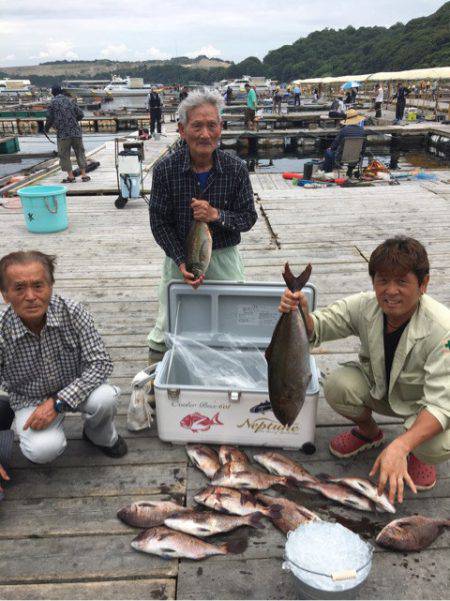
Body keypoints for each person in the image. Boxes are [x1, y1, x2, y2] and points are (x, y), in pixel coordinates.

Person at [279, 236, 450, 504]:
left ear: (423, 284)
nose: (390, 291)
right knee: (337, 385)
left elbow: (442, 405)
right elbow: (320, 326)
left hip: (421, 405)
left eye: (402, 281)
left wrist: (402, 445)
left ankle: (416, 452)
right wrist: (301, 313)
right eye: (382, 280)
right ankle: (370, 432)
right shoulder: (364, 306)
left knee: (438, 443)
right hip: (380, 390)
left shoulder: (443, 328)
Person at [147, 88, 258, 363]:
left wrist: (216, 215)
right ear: (182, 130)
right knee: (166, 329)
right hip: (180, 259)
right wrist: (181, 260)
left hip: (223, 259)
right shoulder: (165, 170)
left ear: (221, 128)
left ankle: (228, 373)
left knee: (231, 324)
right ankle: (157, 381)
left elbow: (247, 218)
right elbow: (159, 222)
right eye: (197, 126)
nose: (205, 134)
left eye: (212, 125)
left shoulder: (236, 169)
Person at [0, 250, 128, 474]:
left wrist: (58, 402)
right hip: (30, 399)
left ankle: (99, 436)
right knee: (42, 451)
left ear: (51, 285)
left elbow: (101, 363)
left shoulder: (73, 311)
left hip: (76, 386)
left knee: (105, 398)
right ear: (5, 294)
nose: (30, 296)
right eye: (19, 288)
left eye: (38, 285)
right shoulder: (2, 329)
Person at [44, 86, 90, 184]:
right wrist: (73, 121)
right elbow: (81, 114)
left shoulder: (52, 103)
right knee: (80, 152)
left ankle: (71, 177)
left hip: (63, 134)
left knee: (64, 155)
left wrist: (45, 129)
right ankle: (84, 175)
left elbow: (49, 118)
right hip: (76, 132)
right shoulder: (70, 101)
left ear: (53, 93)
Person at [322, 108, 365, 173]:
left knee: (328, 152)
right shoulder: (362, 131)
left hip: (341, 157)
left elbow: (334, 145)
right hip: (356, 157)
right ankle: (350, 170)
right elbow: (363, 147)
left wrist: (331, 148)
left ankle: (328, 172)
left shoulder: (344, 130)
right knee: (356, 153)